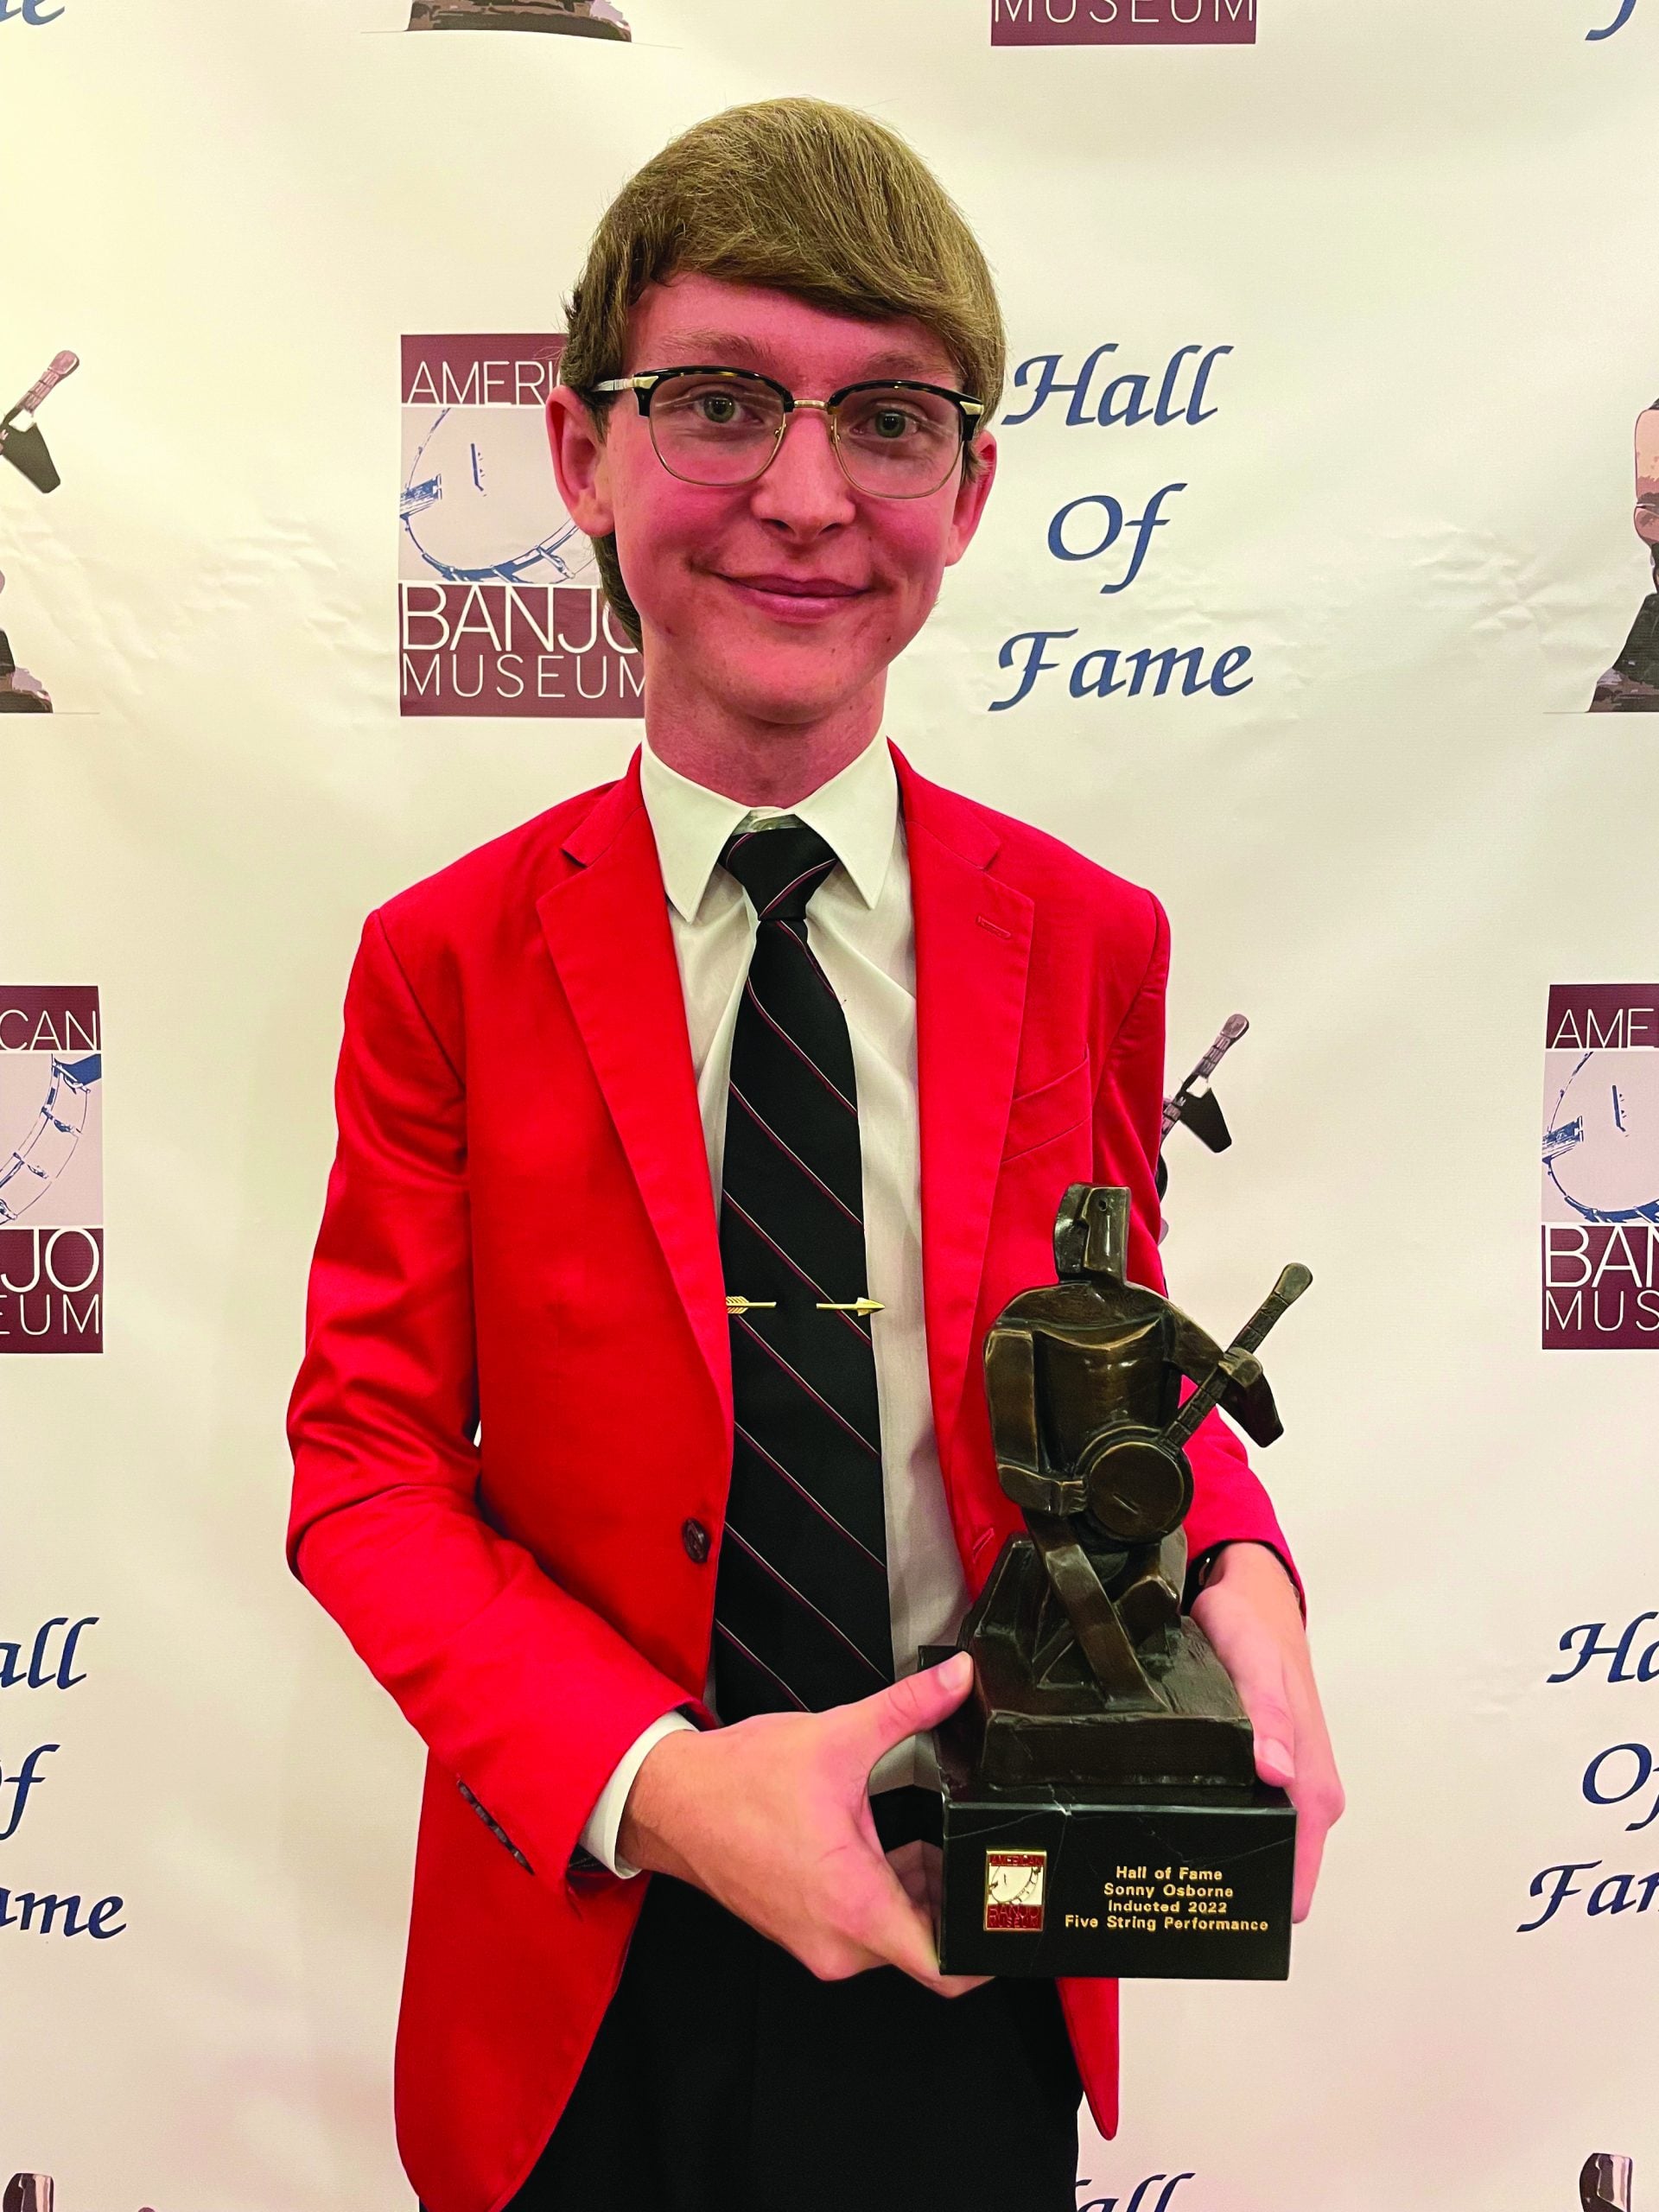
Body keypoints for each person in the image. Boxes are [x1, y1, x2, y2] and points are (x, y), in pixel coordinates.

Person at [286, 96, 1343, 2212]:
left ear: (969, 489)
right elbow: (370, 1470)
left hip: (973, 1934)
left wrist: (1241, 1566)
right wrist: (669, 1786)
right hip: (582, 1944)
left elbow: (1111, 1352)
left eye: (888, 420)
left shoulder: (1092, 940)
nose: (800, 494)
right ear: (580, 448)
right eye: (718, 401)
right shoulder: (441, 965)